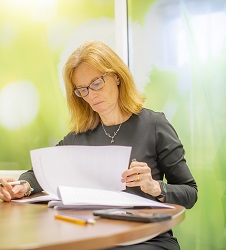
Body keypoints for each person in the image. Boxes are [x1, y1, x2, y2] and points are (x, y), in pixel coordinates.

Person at [0, 40, 198, 250]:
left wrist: (155, 187)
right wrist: (22, 186)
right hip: (94, 237)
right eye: (82, 90)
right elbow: (41, 172)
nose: (91, 95)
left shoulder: (154, 125)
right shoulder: (79, 136)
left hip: (147, 240)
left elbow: (190, 193)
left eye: (96, 83)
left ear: (117, 77)